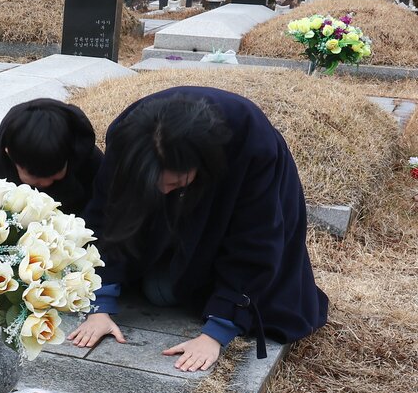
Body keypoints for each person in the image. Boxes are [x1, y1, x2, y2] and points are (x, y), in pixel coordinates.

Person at [70, 86, 328, 372]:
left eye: (173, 183)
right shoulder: (127, 135)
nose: (162, 190)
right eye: (156, 183)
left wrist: (216, 333)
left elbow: (256, 239)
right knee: (160, 291)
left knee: (197, 287)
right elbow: (107, 215)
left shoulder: (252, 144)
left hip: (241, 173)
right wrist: (99, 302)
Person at [0, 98, 103, 214]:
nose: (46, 183)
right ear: (10, 154)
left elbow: (105, 211)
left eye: (55, 174)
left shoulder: (90, 163)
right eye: (35, 177)